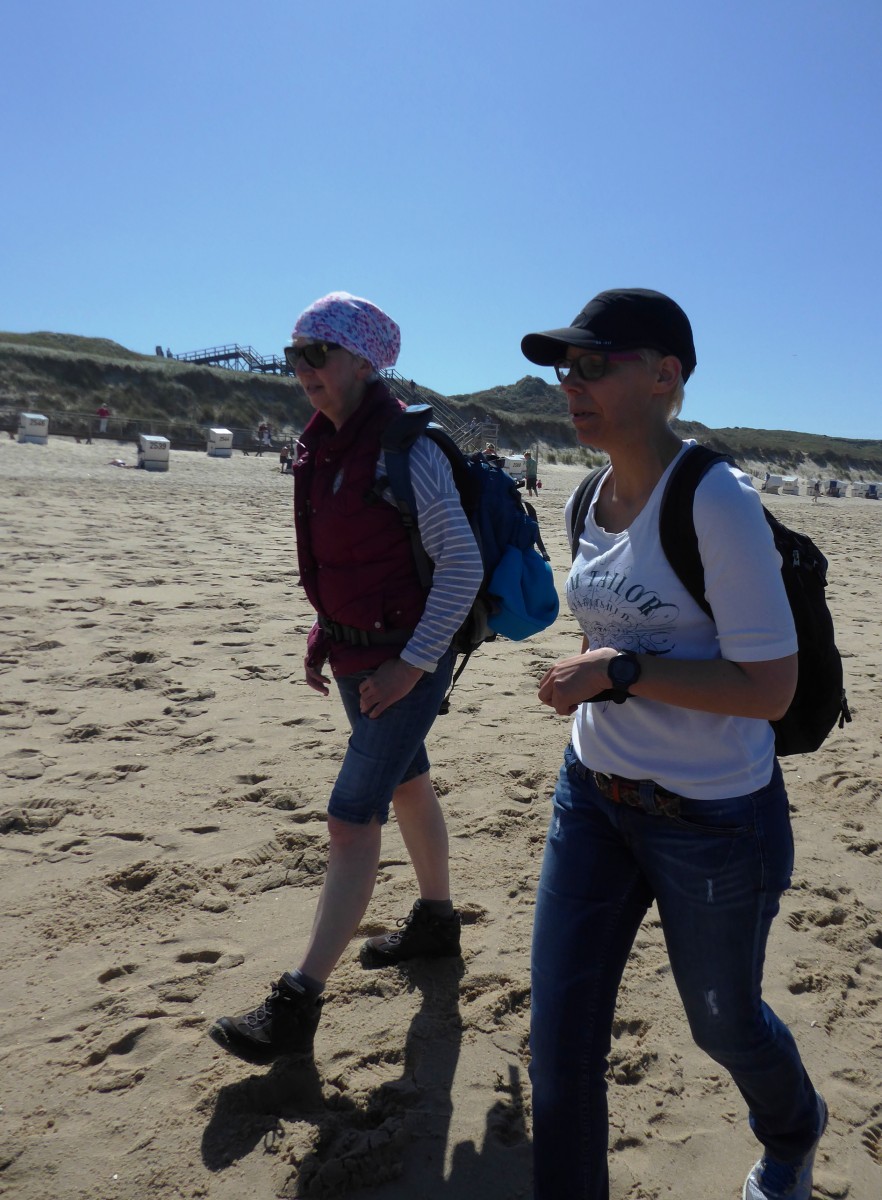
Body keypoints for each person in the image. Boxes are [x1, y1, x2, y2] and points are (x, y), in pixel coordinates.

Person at [520, 288, 826, 1200]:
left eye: (593, 365)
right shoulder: (584, 497)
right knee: (560, 1043)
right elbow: (619, 624)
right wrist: (600, 667)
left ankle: (792, 1131)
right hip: (592, 798)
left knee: (724, 1026)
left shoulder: (714, 499)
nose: (571, 385)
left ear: (665, 376)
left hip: (713, 820)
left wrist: (618, 672)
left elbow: (769, 690)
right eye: (564, 369)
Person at [210, 292, 483, 1065]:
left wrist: (410, 666)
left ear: (364, 361)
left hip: (405, 661)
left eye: (316, 353)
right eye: (293, 354)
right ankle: (436, 925)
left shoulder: (408, 449)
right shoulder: (323, 443)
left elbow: (461, 567)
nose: (302, 369)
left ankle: (298, 1001)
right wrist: (325, 631)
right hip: (361, 655)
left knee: (349, 819)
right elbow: (351, 560)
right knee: (409, 785)